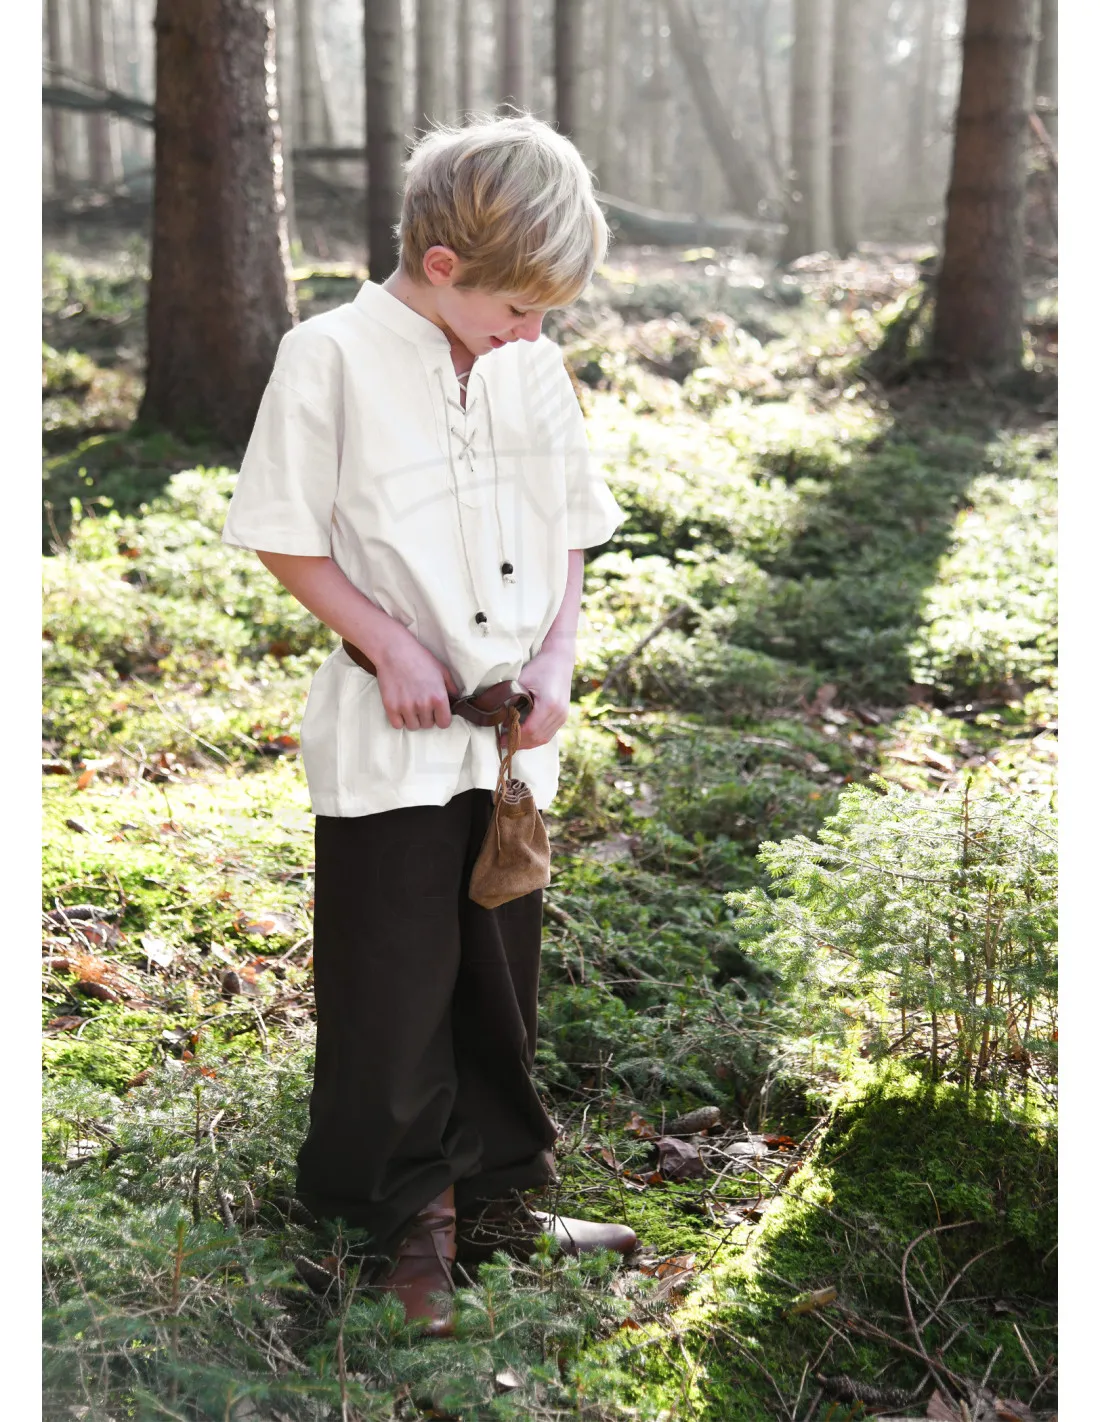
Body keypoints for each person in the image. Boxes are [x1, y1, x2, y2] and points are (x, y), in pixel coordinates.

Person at [221, 112, 638, 1338]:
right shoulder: (329, 356)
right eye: (520, 307)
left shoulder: (529, 366)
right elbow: (285, 531)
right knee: (392, 986)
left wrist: (558, 652)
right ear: (445, 269)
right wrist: (391, 643)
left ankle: (500, 1200)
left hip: (510, 745)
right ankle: (394, 1223)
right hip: (389, 737)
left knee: (499, 978)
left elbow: (567, 523)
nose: (535, 330)